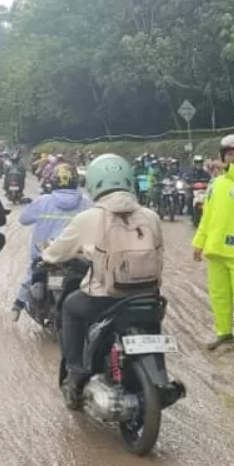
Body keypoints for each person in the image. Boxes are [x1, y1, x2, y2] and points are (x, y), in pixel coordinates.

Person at [40, 153, 164, 404]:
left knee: (70, 307)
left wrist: (47, 253)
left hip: (105, 299)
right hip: (148, 297)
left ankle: (76, 371)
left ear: (94, 182)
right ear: (129, 179)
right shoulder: (151, 216)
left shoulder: (88, 218)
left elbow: (57, 253)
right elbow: (160, 253)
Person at [192, 134, 234, 352]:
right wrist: (199, 242)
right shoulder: (215, 184)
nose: (232, 158)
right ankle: (223, 333)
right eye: (228, 154)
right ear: (223, 155)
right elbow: (207, 217)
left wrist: (227, 168)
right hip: (215, 249)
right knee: (219, 295)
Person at [13, 162, 91, 314]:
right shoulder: (86, 202)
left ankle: (18, 304)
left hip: (46, 254)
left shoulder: (43, 201)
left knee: (32, 272)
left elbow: (23, 219)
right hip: (76, 256)